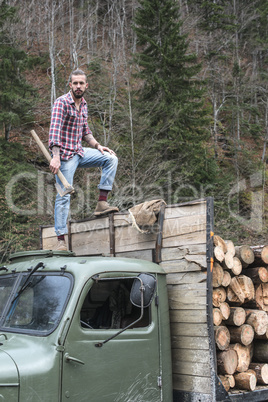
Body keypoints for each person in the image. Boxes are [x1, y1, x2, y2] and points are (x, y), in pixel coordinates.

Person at [49, 69, 118, 251]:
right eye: (75, 83)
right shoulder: (61, 103)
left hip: (79, 152)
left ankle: (102, 203)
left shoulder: (84, 105)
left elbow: (85, 132)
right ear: (70, 84)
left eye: (81, 83)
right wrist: (55, 157)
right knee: (63, 197)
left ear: (86, 86)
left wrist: (98, 146)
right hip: (64, 157)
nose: (78, 86)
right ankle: (61, 241)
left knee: (111, 158)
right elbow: (54, 132)